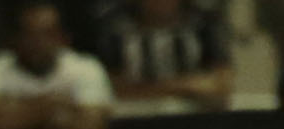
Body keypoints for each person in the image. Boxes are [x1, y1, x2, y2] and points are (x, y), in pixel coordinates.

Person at [0, 0, 108, 129]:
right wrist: (55, 105)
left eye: (48, 34)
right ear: (13, 39)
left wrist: (20, 113)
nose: (38, 43)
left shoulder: (86, 68)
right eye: (29, 35)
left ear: (64, 38)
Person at [96, 0, 231, 106]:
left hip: (196, 118)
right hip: (131, 118)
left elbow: (220, 85)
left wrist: (147, 89)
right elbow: (114, 89)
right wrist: (188, 87)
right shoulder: (113, 25)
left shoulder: (204, 22)